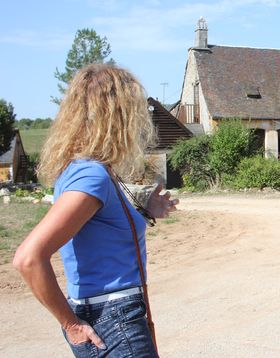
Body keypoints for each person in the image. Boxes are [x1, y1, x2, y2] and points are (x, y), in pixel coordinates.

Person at [13, 63, 178, 357]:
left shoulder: (85, 170)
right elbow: (28, 258)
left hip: (109, 316)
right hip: (114, 320)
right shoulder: (91, 175)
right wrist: (71, 325)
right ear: (117, 116)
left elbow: (97, 228)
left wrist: (143, 207)